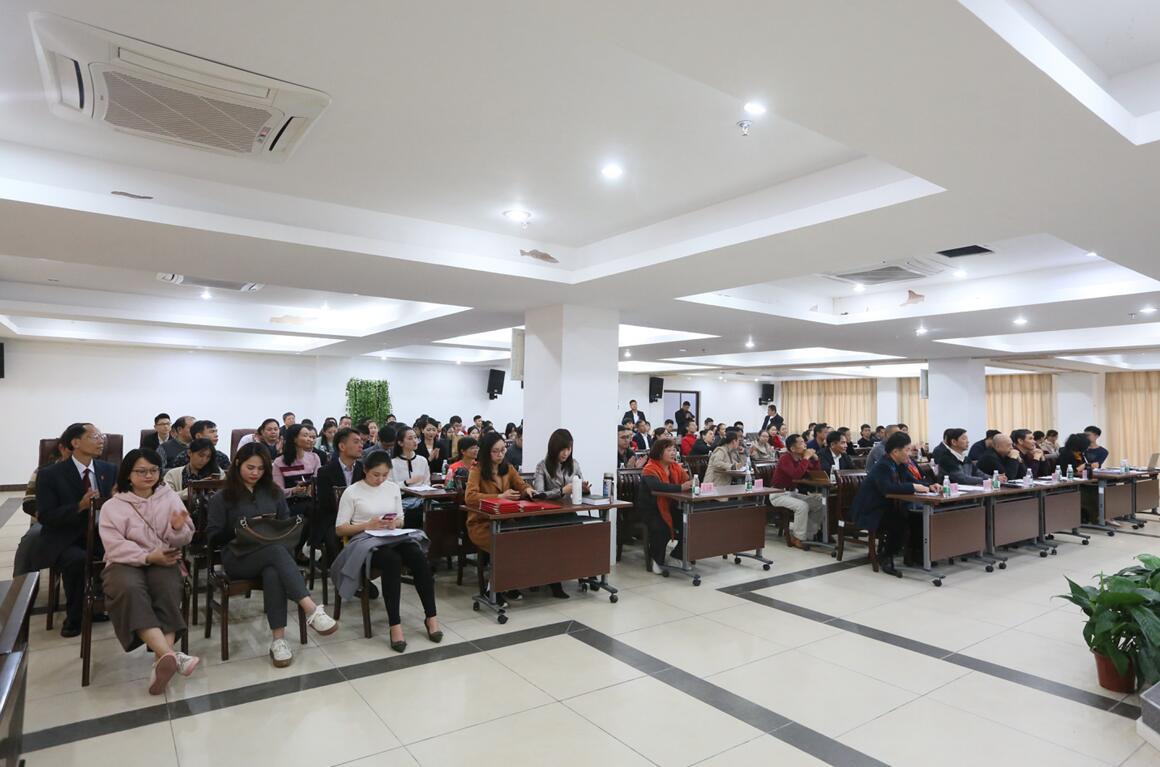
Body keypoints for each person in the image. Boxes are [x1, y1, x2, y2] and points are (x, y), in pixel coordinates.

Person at [206, 444, 338, 667]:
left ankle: (278, 641)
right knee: (275, 553)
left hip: (273, 556)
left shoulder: (274, 492)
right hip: (238, 558)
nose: (255, 473)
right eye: (250, 467)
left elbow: (286, 526)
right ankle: (311, 610)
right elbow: (213, 538)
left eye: (260, 469)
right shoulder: (222, 497)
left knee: (273, 571)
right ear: (237, 464)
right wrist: (241, 528)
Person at [98, 449, 197, 693]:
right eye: (141, 471)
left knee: (167, 588)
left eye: (153, 470)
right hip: (123, 562)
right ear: (128, 474)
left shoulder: (169, 497)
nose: (149, 475)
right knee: (129, 588)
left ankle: (161, 662)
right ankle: (170, 654)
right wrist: (146, 556)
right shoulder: (113, 505)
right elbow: (113, 545)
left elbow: (186, 537)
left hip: (163, 559)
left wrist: (177, 529)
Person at [335, 452, 441, 651]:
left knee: (417, 555)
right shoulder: (352, 491)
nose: (380, 479)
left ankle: (431, 617)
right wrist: (367, 525)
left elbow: (401, 519)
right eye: (376, 475)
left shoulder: (392, 488)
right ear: (365, 470)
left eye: (385, 475)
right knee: (391, 560)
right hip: (364, 540)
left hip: (391, 536)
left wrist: (395, 523)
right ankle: (395, 625)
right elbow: (340, 529)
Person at [34, 423, 117, 636]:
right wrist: (79, 506)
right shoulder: (50, 474)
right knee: (77, 561)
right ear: (76, 442)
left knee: (121, 553)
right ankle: (74, 618)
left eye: (102, 436)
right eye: (94, 436)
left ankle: (98, 606)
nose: (101, 440)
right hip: (65, 537)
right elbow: (46, 516)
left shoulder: (109, 470)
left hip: (100, 535)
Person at [851, 431, 938, 576]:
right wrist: (914, 487)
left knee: (917, 518)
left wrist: (930, 486)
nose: (910, 453)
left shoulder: (900, 465)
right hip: (871, 510)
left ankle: (916, 554)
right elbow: (888, 488)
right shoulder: (883, 466)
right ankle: (886, 556)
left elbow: (913, 481)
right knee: (899, 523)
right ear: (896, 451)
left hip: (889, 507)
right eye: (907, 450)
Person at [465, 432, 536, 603]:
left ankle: (507, 584)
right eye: (495, 451)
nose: (500, 454)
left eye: (503, 450)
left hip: (505, 522)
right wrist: (499, 497)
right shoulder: (477, 470)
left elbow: (521, 484)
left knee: (521, 541)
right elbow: (470, 497)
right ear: (486, 452)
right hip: (481, 524)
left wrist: (527, 490)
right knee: (505, 545)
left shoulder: (507, 468)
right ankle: (493, 589)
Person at [528, 428, 587, 599]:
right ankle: (554, 581)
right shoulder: (542, 466)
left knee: (584, 533)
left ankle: (585, 573)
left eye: (568, 449)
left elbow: (580, 483)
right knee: (556, 538)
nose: (565, 453)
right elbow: (539, 494)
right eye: (562, 449)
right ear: (554, 448)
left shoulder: (574, 464)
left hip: (568, 511)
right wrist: (562, 491)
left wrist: (584, 488)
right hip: (547, 514)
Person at [15, 429, 75, 578]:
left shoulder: (95, 471)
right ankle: (22, 585)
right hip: (48, 521)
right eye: (72, 450)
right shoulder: (44, 471)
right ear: (62, 448)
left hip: (81, 521)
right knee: (31, 540)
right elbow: (29, 502)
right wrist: (49, 515)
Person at [637, 437, 693, 574]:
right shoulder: (650, 468)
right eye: (669, 450)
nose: (673, 453)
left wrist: (691, 484)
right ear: (659, 452)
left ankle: (677, 556)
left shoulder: (675, 467)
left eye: (674, 450)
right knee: (662, 528)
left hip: (670, 507)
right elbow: (656, 486)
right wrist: (681, 487)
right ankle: (657, 560)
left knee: (690, 523)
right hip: (651, 509)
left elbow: (687, 481)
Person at [770, 434, 826, 549]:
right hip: (778, 494)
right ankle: (798, 538)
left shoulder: (800, 458)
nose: (805, 445)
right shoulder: (785, 458)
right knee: (802, 506)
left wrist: (816, 459)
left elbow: (814, 473)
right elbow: (796, 475)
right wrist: (806, 458)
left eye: (804, 442)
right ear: (792, 448)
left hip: (792, 493)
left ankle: (809, 535)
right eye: (801, 443)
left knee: (819, 503)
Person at [392, 426, 431, 528]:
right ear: (400, 443)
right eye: (410, 438)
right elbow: (391, 488)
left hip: (421, 499)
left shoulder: (422, 460)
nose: (414, 441)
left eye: (415, 437)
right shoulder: (393, 463)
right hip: (402, 501)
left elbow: (427, 483)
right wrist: (407, 482)